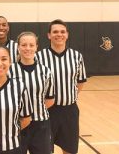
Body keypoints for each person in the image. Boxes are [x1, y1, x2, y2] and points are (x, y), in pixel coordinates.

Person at [36, 19, 87, 154]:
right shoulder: (39, 57)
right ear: (49, 35)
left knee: (70, 149)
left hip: (69, 110)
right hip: (47, 111)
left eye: (62, 32)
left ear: (67, 34)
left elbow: (80, 81)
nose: (59, 34)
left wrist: (70, 95)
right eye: (55, 32)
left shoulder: (76, 56)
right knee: (45, 149)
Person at [9, 32, 55, 154]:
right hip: (17, 125)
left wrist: (35, 111)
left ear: (36, 47)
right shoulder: (10, 71)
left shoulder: (45, 71)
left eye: (31, 45)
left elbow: (50, 99)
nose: (27, 48)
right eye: (24, 45)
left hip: (41, 125)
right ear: (18, 47)